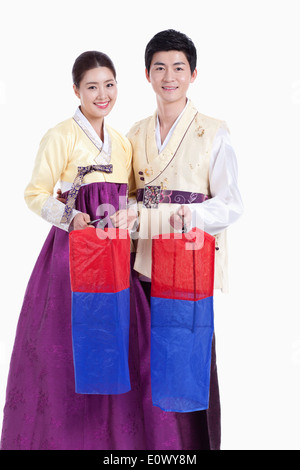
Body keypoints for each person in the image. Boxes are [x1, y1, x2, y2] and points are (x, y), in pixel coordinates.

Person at [0, 51, 136, 450]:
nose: (102, 94)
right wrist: (70, 217)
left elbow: (125, 198)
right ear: (76, 90)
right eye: (92, 86)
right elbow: (34, 193)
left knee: (112, 343)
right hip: (72, 255)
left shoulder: (123, 143)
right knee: (65, 345)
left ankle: (112, 441)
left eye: (109, 84)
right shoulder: (61, 135)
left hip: (113, 257)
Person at [127, 29, 244, 450]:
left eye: (178, 67)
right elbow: (126, 202)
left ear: (193, 74)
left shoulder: (213, 132)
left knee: (187, 367)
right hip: (141, 266)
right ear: (147, 75)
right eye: (160, 67)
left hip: (189, 265)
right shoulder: (135, 134)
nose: (169, 76)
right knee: (142, 369)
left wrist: (184, 215)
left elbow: (231, 204)